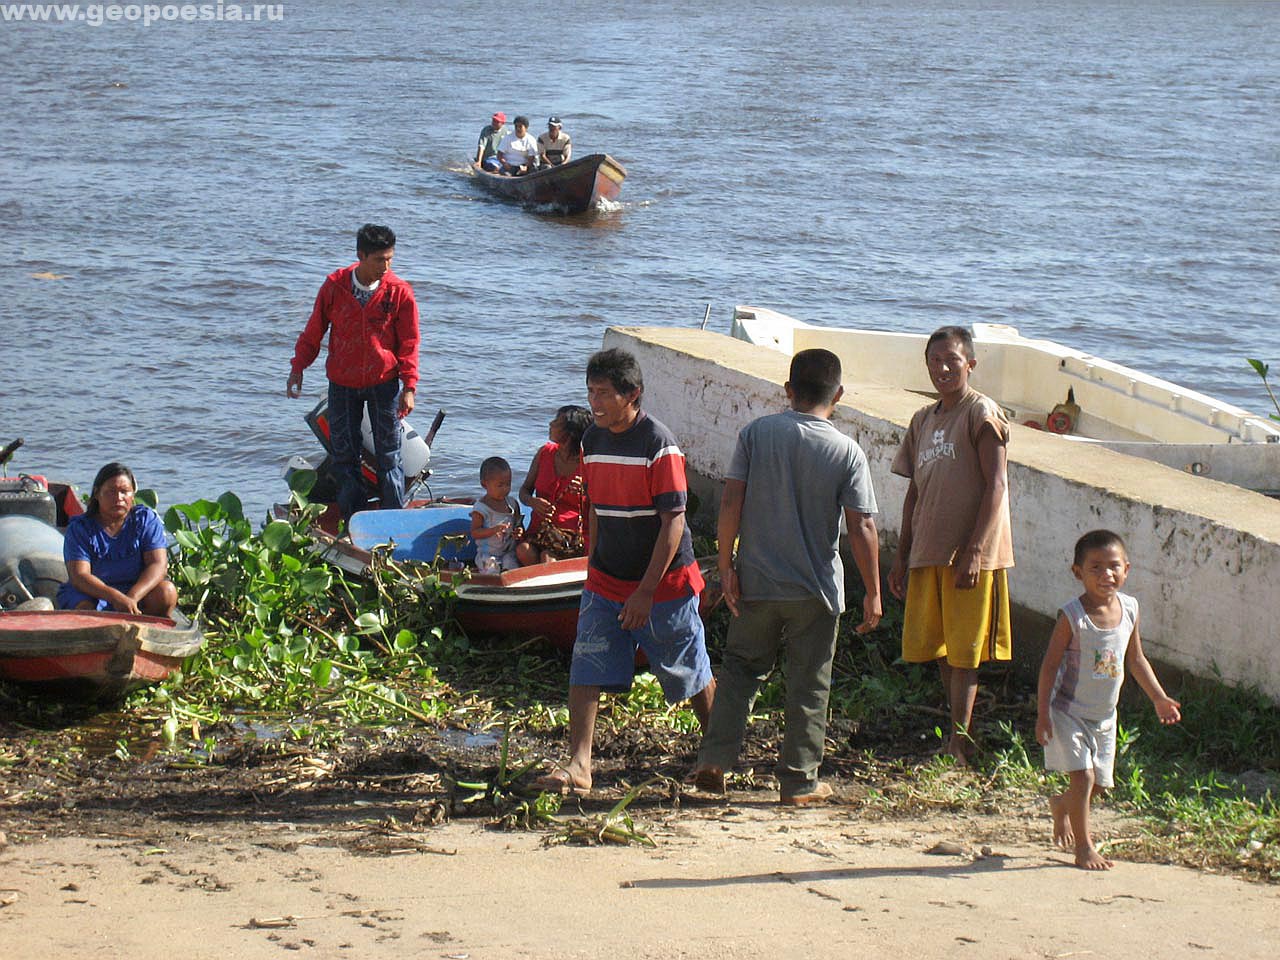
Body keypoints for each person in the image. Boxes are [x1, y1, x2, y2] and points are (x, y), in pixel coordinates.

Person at [692, 349, 883, 804]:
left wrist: (726, 567)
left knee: (740, 671)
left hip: (757, 582)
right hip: (815, 591)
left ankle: (715, 760)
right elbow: (862, 526)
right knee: (809, 684)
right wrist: (873, 592)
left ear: (788, 390)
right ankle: (798, 781)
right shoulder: (846, 451)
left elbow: (731, 502)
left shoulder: (757, 434)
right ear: (838, 395)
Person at [531, 348, 716, 794]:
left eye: (604, 394)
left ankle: (716, 757)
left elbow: (674, 523)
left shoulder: (659, 445)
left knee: (688, 669)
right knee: (587, 663)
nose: (595, 402)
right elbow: (594, 506)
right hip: (606, 579)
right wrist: (593, 564)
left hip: (665, 584)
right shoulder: (592, 440)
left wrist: (645, 592)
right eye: (590, 392)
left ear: (632, 394)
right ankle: (579, 766)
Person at [887, 325, 1013, 766]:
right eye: (934, 361)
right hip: (930, 549)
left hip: (969, 555)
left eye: (951, 361)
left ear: (970, 365)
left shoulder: (981, 413)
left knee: (966, 653)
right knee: (941, 648)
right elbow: (914, 494)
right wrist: (901, 555)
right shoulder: (923, 420)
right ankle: (960, 735)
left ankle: (960, 744)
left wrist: (976, 549)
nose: (942, 369)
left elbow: (996, 485)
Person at [1037, 530, 1181, 870]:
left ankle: (1061, 805)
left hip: (1104, 716)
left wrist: (1159, 698)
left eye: (1114, 566)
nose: (1106, 575)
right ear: (1078, 573)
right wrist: (1042, 714)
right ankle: (1084, 847)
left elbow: (1136, 660)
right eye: (1096, 568)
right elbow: (1049, 667)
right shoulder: (1072, 617)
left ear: (1127, 569)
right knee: (1083, 779)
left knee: (1099, 785)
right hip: (1068, 711)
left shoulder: (1130, 608)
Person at [287, 224, 420, 522]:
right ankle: (355, 520)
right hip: (342, 384)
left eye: (390, 259)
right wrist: (298, 367)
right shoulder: (335, 286)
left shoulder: (399, 292)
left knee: (389, 457)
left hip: (383, 384)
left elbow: (410, 342)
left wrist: (409, 386)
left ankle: (394, 521)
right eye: (379, 260)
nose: (385, 267)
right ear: (361, 255)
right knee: (344, 457)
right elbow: (314, 331)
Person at [57, 462, 177, 617]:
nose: (118, 498)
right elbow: (80, 576)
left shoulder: (145, 520)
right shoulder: (80, 529)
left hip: (137, 591)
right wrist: (115, 598)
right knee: (85, 609)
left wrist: (131, 598)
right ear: (97, 494)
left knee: (167, 593)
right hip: (92, 592)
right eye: (111, 492)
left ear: (133, 495)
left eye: (124, 492)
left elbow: (158, 564)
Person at [516, 405, 591, 566]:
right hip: (541, 531)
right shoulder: (545, 453)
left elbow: (601, 504)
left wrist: (586, 491)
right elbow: (524, 491)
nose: (550, 424)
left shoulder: (588, 462)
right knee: (523, 550)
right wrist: (532, 502)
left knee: (547, 557)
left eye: (557, 422)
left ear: (570, 432)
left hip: (571, 537)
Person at [470, 457, 522, 573]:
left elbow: (519, 524)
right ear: (484, 484)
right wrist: (493, 530)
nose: (505, 489)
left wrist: (519, 531)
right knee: (492, 572)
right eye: (500, 485)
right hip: (488, 554)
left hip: (508, 552)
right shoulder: (481, 508)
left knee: (513, 571)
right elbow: (475, 533)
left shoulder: (512, 504)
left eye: (508, 484)